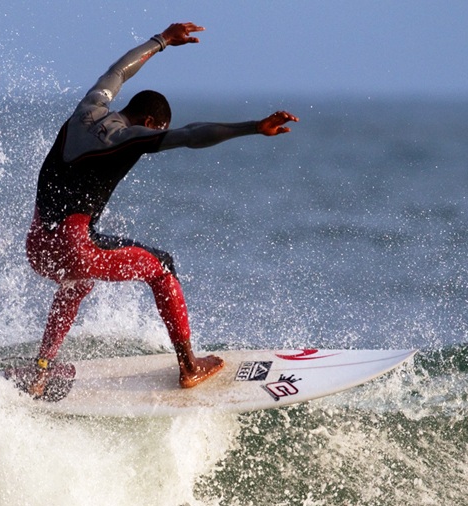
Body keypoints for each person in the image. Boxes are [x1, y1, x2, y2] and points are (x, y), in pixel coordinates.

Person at [24, 22, 297, 398]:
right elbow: (191, 134)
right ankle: (189, 366)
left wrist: (163, 40)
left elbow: (118, 71)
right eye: (157, 130)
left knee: (76, 282)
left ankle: (41, 370)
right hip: (76, 248)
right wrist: (253, 126)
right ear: (152, 124)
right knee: (162, 267)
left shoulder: (88, 107)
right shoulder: (128, 137)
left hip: (39, 246)